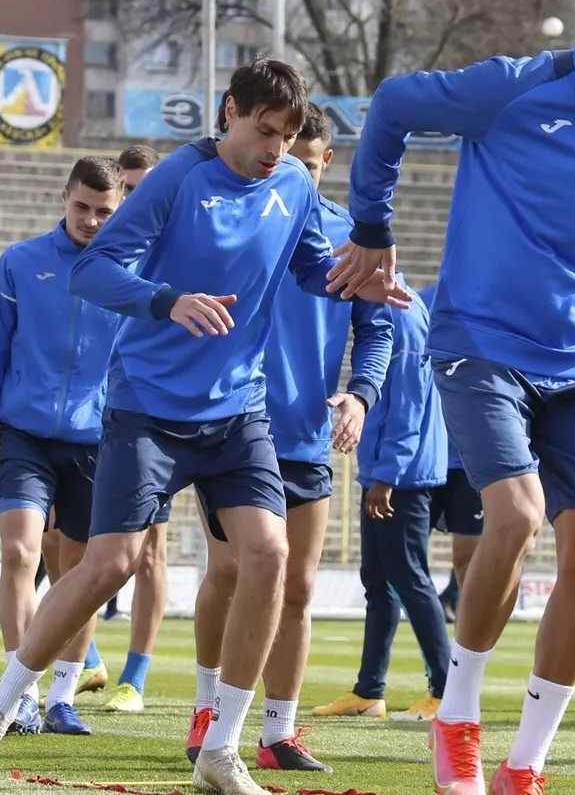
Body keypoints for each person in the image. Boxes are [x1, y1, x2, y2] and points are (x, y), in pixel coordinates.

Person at [0, 58, 408, 794]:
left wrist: (357, 281)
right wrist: (169, 301)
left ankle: (220, 749)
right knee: (110, 565)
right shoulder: (177, 178)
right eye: (265, 130)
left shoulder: (293, 183)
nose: (276, 148)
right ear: (230, 111)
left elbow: (308, 268)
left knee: (269, 554)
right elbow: (93, 270)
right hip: (149, 407)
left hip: (237, 408)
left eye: (288, 136)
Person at [330, 0, 575, 794]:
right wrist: (372, 226)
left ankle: (525, 763)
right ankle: (457, 715)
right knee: (518, 514)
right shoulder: (514, 89)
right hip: (482, 343)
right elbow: (392, 104)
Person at [192, 103, 392, 768]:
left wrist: (360, 394)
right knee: (230, 572)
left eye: (304, 163)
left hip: (305, 433)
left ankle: (277, 733)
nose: (287, 171)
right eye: (278, 153)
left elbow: (378, 329)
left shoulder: (349, 238)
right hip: (230, 425)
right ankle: (208, 714)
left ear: (325, 162)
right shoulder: (235, 214)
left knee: (299, 587)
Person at [0, 156, 126, 737]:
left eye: (104, 212)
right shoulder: (20, 263)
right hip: (25, 435)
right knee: (17, 553)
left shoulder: (132, 271)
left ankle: (62, 695)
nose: (91, 220)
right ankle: (21, 692)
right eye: (82, 206)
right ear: (64, 196)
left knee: (79, 573)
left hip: (96, 442)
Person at [312, 277, 451, 723]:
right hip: (386, 471)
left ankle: (446, 692)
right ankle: (369, 691)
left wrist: (388, 476)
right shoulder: (391, 308)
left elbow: (408, 407)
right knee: (378, 579)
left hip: (402, 477)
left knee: (410, 578)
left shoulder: (402, 315)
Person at [103, 143, 169, 713]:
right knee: (63, 546)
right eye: (128, 188)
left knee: (149, 552)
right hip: (85, 417)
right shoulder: (102, 249)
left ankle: (134, 678)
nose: (135, 197)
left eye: (146, 187)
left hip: (147, 413)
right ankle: (83, 660)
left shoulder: (171, 250)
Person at [417, 283, 483, 629]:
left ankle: (465, 644)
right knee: (402, 562)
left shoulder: (497, 305)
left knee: (468, 558)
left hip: (473, 459)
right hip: (422, 457)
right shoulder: (419, 303)